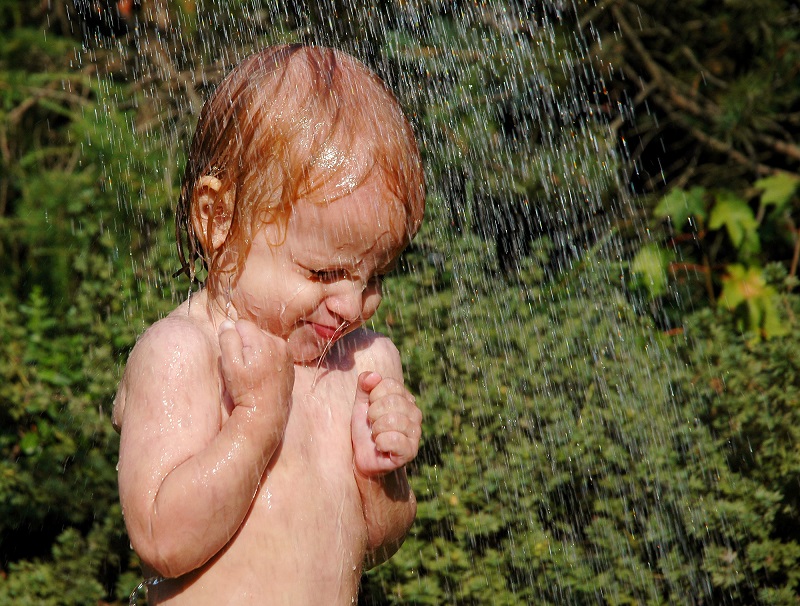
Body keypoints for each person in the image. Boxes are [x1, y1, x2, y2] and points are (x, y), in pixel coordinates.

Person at [112, 44, 425, 605]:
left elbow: (377, 544)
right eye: (324, 270)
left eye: (374, 276)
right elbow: (161, 538)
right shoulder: (184, 353)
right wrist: (257, 420)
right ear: (218, 220)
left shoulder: (361, 365)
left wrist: (380, 475)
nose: (351, 306)